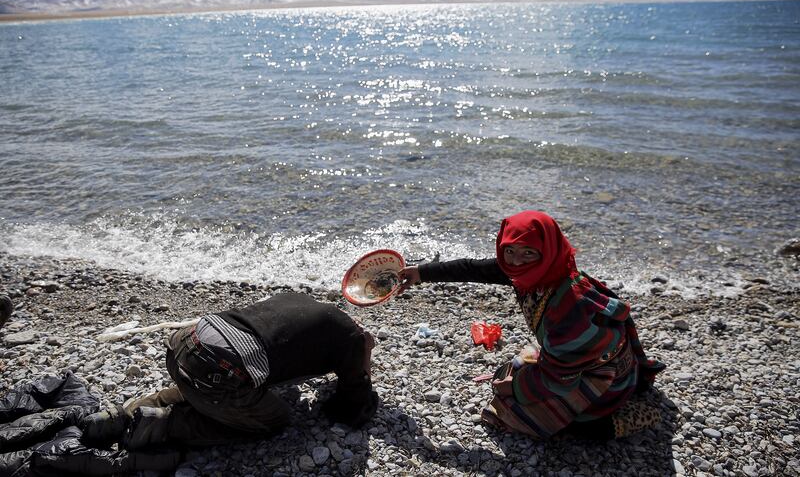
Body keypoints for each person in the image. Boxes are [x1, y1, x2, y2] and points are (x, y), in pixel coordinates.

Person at [399, 210, 665, 441]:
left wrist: (515, 388)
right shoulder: (536, 270)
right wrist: (421, 273)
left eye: (528, 252)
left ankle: (634, 413)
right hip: (572, 356)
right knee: (509, 379)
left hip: (604, 372)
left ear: (547, 250)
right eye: (509, 250)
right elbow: (474, 269)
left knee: (550, 420)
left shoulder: (569, 308)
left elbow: (558, 381)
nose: (515, 261)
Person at [82, 292, 378, 449]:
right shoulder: (349, 338)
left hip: (184, 343)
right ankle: (164, 425)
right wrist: (364, 352)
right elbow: (353, 406)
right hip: (217, 370)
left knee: (215, 382)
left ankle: (124, 413)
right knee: (274, 418)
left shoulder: (297, 301)